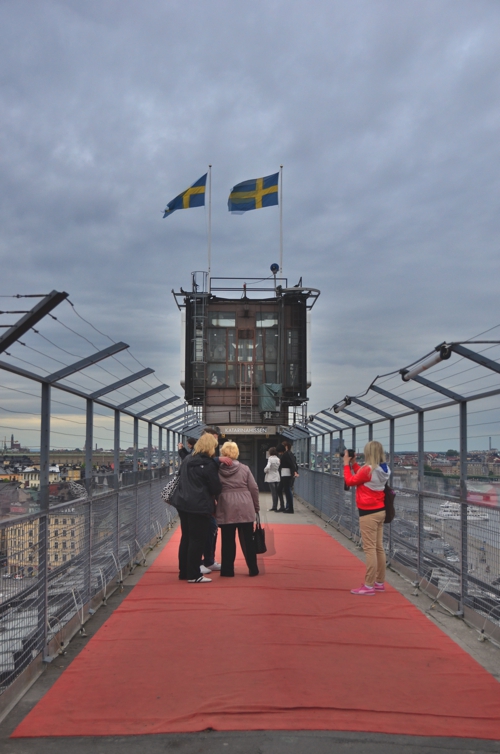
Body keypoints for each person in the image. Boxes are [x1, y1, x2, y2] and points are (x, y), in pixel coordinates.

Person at [170, 434, 222, 583]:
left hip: (183, 503)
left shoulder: (187, 460)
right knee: (197, 540)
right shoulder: (209, 463)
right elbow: (215, 487)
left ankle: (184, 571)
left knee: (186, 538)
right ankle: (194, 574)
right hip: (199, 505)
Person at [343, 440, 390, 595]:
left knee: (369, 548)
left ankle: (369, 585)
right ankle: (379, 582)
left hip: (368, 512)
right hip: (380, 510)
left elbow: (350, 480)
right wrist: (355, 464)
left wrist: (346, 464)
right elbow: (362, 476)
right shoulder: (384, 469)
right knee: (378, 547)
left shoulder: (368, 470)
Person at [216, 441, 260, 577]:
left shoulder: (217, 469)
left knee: (227, 540)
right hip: (245, 505)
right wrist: (256, 507)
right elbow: (254, 488)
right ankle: (253, 569)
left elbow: (213, 487)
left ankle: (227, 570)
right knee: (248, 539)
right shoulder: (244, 468)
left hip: (226, 506)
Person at [276, 443, 298, 513]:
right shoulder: (286, 454)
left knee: (286, 491)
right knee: (282, 489)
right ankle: (285, 506)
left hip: (286, 474)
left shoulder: (286, 455)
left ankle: (290, 508)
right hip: (284, 473)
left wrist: (295, 471)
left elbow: (291, 463)